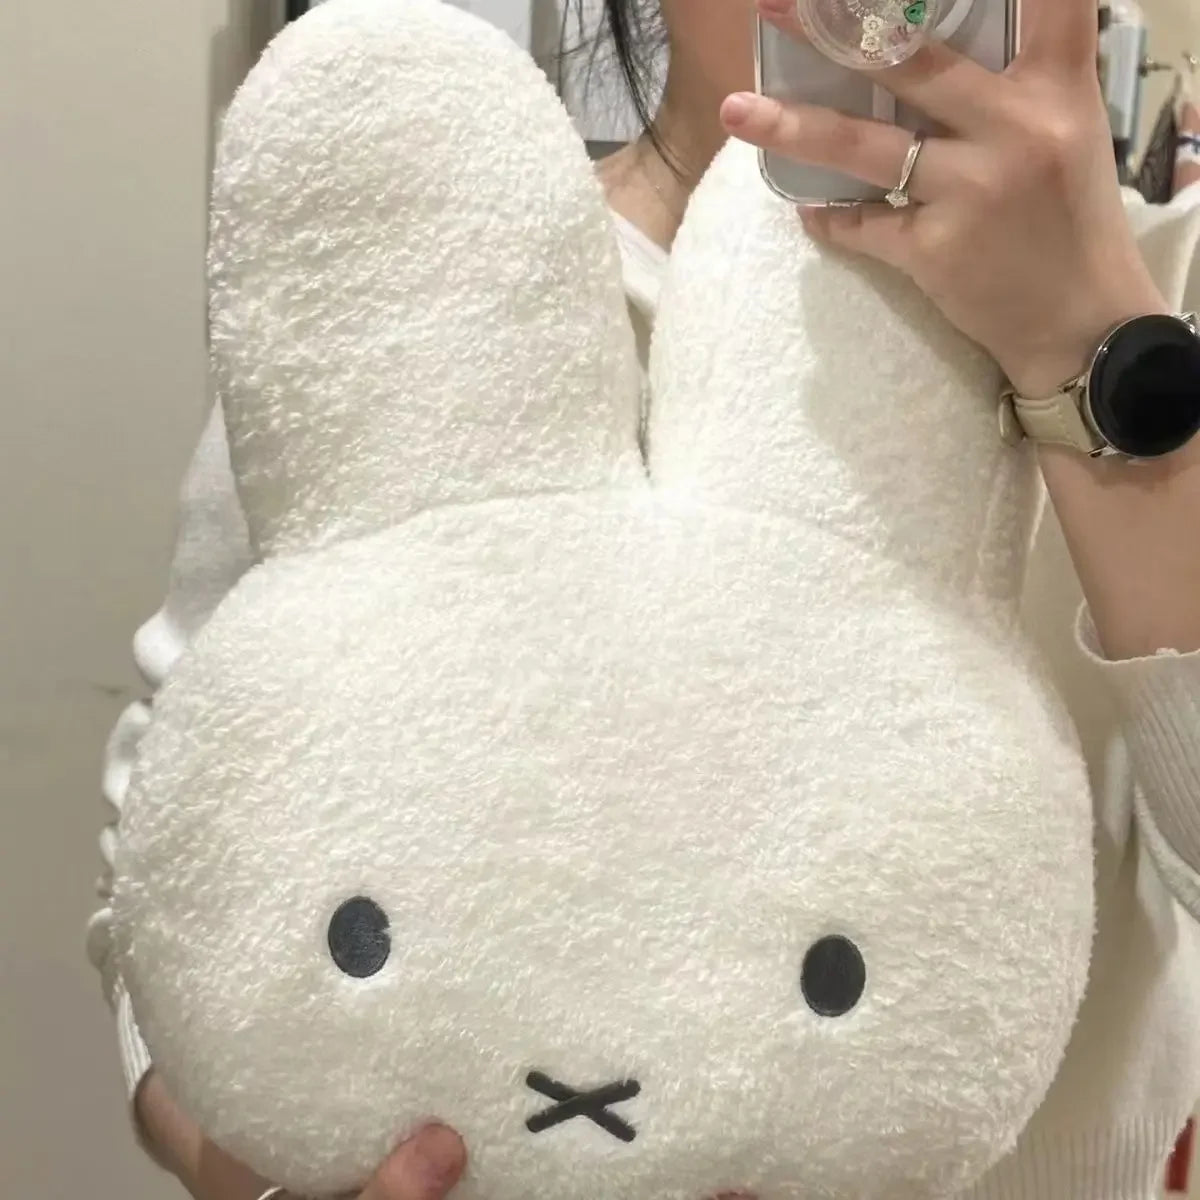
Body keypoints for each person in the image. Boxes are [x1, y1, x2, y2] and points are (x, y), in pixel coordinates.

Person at [89, 1, 1200, 1197]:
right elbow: (185, 877)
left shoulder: (1167, 285)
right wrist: (284, 1171)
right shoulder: (420, 283)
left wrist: (1093, 343)